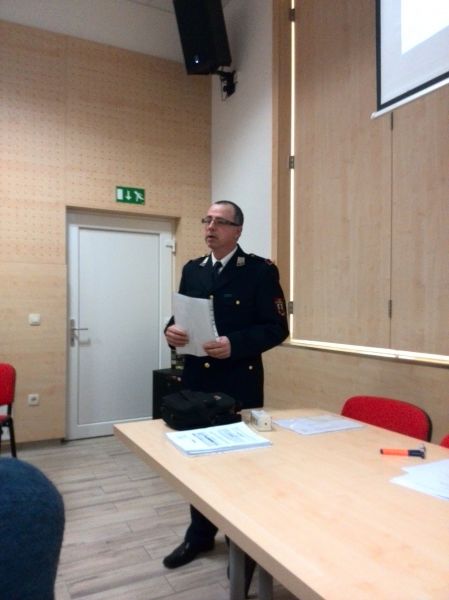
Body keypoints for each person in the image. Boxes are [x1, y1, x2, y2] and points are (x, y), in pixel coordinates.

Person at [163, 200, 289, 571]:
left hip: (238, 383)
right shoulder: (193, 269)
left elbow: (277, 328)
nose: (210, 227)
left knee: (240, 467)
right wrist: (170, 332)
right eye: (207, 220)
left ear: (237, 230)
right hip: (197, 381)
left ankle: (241, 546)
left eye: (220, 221)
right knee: (198, 465)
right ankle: (199, 535)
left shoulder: (259, 271)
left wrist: (235, 344)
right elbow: (181, 317)